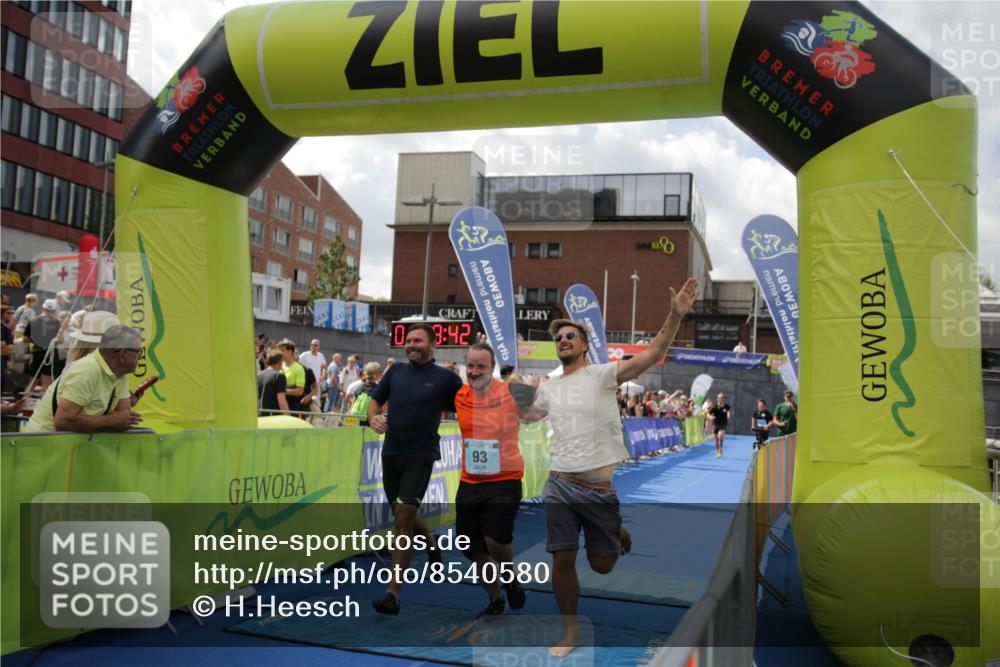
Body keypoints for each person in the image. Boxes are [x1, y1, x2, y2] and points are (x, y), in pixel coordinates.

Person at [522, 277, 698, 657]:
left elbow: (652, 353)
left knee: (602, 566)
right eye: (559, 338)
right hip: (560, 484)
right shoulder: (549, 386)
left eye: (571, 336)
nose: (564, 341)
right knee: (562, 558)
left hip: (598, 489)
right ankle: (571, 631)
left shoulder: (602, 375)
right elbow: (529, 416)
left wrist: (675, 315)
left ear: (584, 345)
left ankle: (613, 529)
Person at [366, 323, 463, 615]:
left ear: (432, 345)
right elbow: (374, 403)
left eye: (418, 341)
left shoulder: (446, 378)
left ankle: (392, 594)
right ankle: (431, 543)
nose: (411, 345)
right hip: (391, 452)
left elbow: (468, 406)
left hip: (421, 455)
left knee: (403, 519)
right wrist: (374, 419)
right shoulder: (395, 372)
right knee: (401, 514)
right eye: (408, 341)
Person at [453, 342, 530, 618]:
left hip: (505, 478)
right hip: (470, 481)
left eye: (481, 366)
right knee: (469, 545)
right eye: (470, 365)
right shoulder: (459, 394)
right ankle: (496, 599)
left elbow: (547, 409)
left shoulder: (512, 391)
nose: (474, 372)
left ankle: (508, 576)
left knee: (495, 538)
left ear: (492, 368)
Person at [24, 325, 144, 433]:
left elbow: (123, 416)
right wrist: (110, 421)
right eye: (138, 352)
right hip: (42, 447)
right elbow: (63, 422)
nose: (139, 357)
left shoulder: (120, 372)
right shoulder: (87, 370)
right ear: (122, 354)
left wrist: (119, 418)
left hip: (65, 447)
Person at [24, 299, 64, 390]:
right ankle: (42, 402)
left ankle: (24, 401)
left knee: (33, 380)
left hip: (37, 352)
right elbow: (61, 340)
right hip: (51, 353)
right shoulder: (56, 322)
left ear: (43, 308)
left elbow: (25, 339)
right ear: (54, 310)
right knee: (47, 381)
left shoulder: (33, 321)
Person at [257, 350, 290, 416]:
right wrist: (288, 416)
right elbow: (281, 400)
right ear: (280, 362)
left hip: (259, 416)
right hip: (274, 417)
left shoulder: (258, 375)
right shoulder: (279, 376)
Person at [277, 340, 306, 414]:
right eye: (279, 350)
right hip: (278, 404)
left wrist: (281, 391)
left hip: (292, 406)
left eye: (282, 350)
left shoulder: (299, 368)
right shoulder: (279, 365)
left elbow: (300, 391)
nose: (279, 353)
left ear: (290, 352)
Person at [707, 392, 732, 458]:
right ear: (717, 399)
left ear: (723, 399)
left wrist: (728, 416)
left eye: (721, 398)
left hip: (723, 424)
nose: (720, 399)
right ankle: (718, 451)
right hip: (716, 424)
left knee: (720, 436)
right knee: (717, 439)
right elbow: (708, 414)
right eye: (718, 398)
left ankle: (720, 450)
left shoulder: (727, 406)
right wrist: (711, 417)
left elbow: (728, 412)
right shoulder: (715, 407)